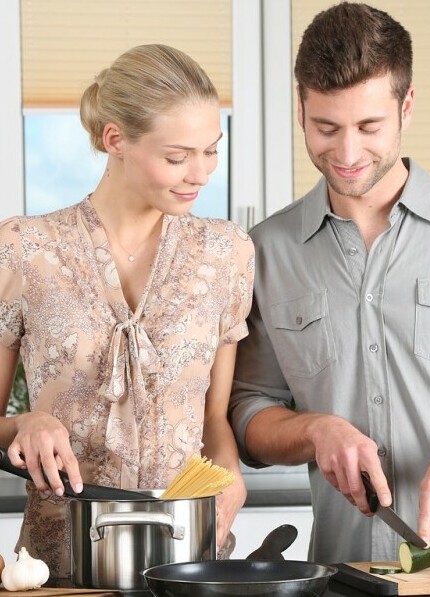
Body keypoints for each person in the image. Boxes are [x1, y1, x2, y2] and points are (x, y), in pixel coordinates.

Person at [229, 1, 430, 565]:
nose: (346, 154)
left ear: (407, 106)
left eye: (369, 126)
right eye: (326, 127)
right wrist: (315, 430)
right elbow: (251, 412)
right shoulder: (266, 250)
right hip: (342, 568)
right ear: (300, 111)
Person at [0, 44, 254, 578]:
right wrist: (28, 421)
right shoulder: (24, 249)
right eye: (177, 155)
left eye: (212, 149)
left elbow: (213, 419)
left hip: (190, 557)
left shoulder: (227, 252)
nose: (201, 172)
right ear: (115, 139)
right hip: (61, 563)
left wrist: (229, 473)